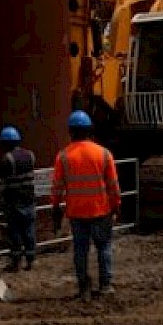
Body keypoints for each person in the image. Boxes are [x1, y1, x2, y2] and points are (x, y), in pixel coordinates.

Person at [51, 110, 122, 301]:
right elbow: (113, 185)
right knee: (104, 247)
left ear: (71, 131)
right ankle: (105, 285)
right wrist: (116, 205)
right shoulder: (104, 154)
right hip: (101, 210)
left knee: (80, 250)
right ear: (90, 130)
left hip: (76, 212)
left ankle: (84, 288)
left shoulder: (63, 156)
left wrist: (56, 208)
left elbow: (57, 187)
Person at [0, 125, 37, 271]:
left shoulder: (7, 158)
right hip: (29, 199)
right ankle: (30, 260)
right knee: (29, 231)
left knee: (15, 233)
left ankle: (15, 262)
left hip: (14, 201)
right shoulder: (30, 155)